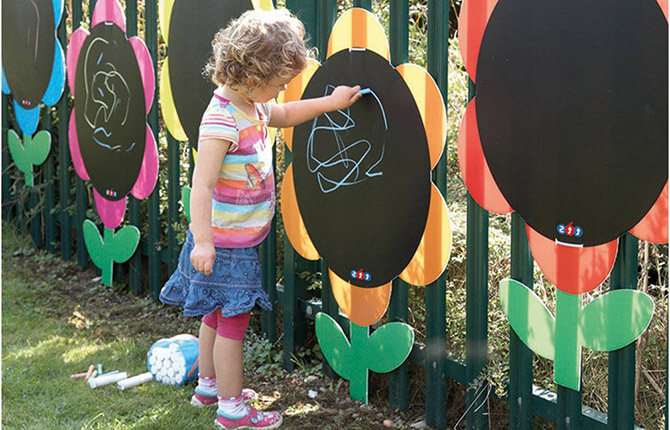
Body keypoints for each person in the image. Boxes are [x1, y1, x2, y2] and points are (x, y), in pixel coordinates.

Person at [159, 8, 362, 430]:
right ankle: (232, 409)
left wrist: (331, 102)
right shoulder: (222, 118)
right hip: (224, 245)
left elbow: (286, 115)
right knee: (233, 325)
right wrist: (202, 242)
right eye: (279, 83)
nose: (282, 91)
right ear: (253, 76)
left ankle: (210, 387)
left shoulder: (252, 105)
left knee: (214, 316)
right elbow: (201, 185)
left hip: (233, 241)